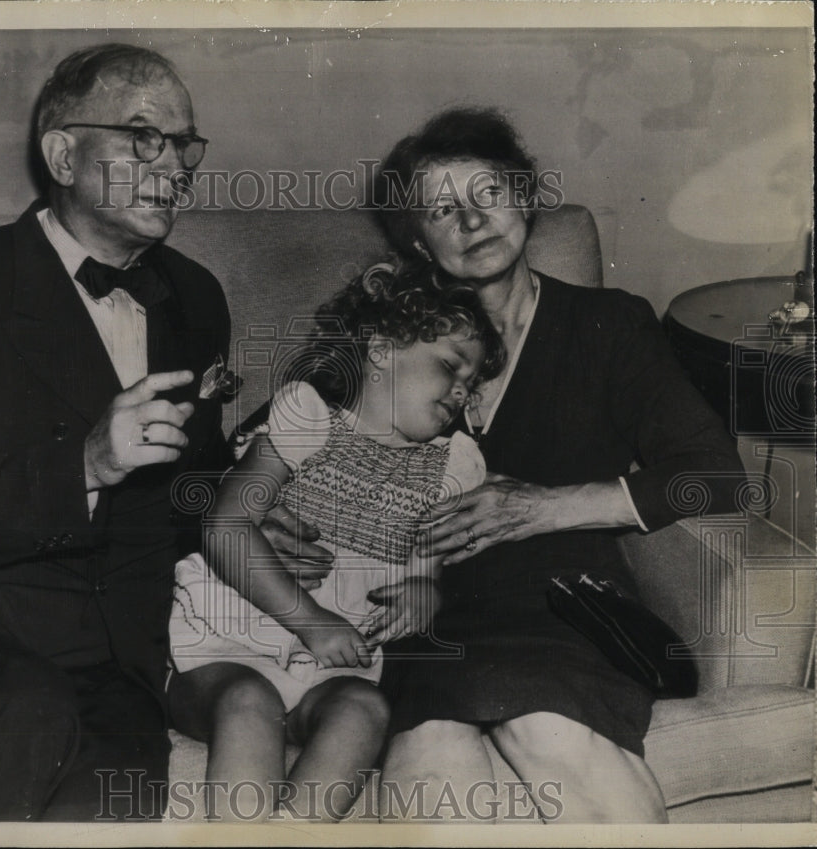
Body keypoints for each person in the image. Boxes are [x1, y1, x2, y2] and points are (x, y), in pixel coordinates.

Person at [0, 43, 248, 822]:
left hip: (111, 664)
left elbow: (186, 490)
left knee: (112, 798)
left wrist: (246, 506)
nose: (177, 164)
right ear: (63, 154)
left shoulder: (195, 298)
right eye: (143, 135)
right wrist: (86, 464)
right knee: (28, 709)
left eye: (185, 142)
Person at [367, 108, 746, 823]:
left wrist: (541, 506)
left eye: (488, 193)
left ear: (527, 197)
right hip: (429, 611)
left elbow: (714, 472)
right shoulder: (388, 339)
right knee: (433, 762)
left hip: (564, 603)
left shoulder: (610, 325)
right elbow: (294, 442)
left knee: (548, 725)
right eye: (443, 210)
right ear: (417, 241)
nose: (472, 220)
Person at [166, 261, 505, 820]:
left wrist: (425, 591)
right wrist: (311, 621)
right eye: (450, 366)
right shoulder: (308, 419)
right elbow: (225, 526)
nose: (460, 392)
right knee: (248, 700)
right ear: (381, 346)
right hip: (229, 646)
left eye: (470, 386)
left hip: (337, 668)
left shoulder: (453, 464)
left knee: (366, 708)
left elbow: (427, 560)